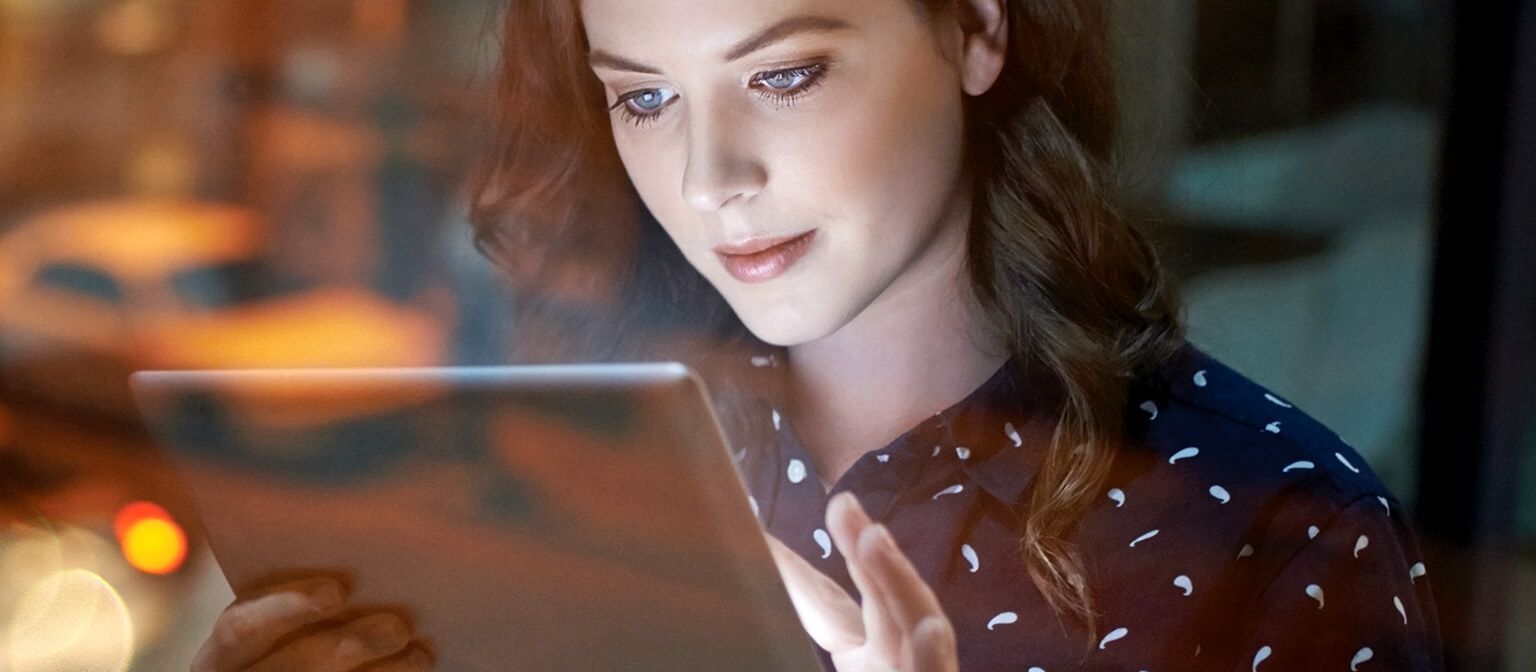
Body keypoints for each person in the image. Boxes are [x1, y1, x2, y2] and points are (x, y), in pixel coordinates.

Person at [192, 0, 1446, 670]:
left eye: (785, 74)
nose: (708, 175)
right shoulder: (566, 470)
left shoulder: (1273, 526)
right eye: (642, 95)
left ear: (976, 25)